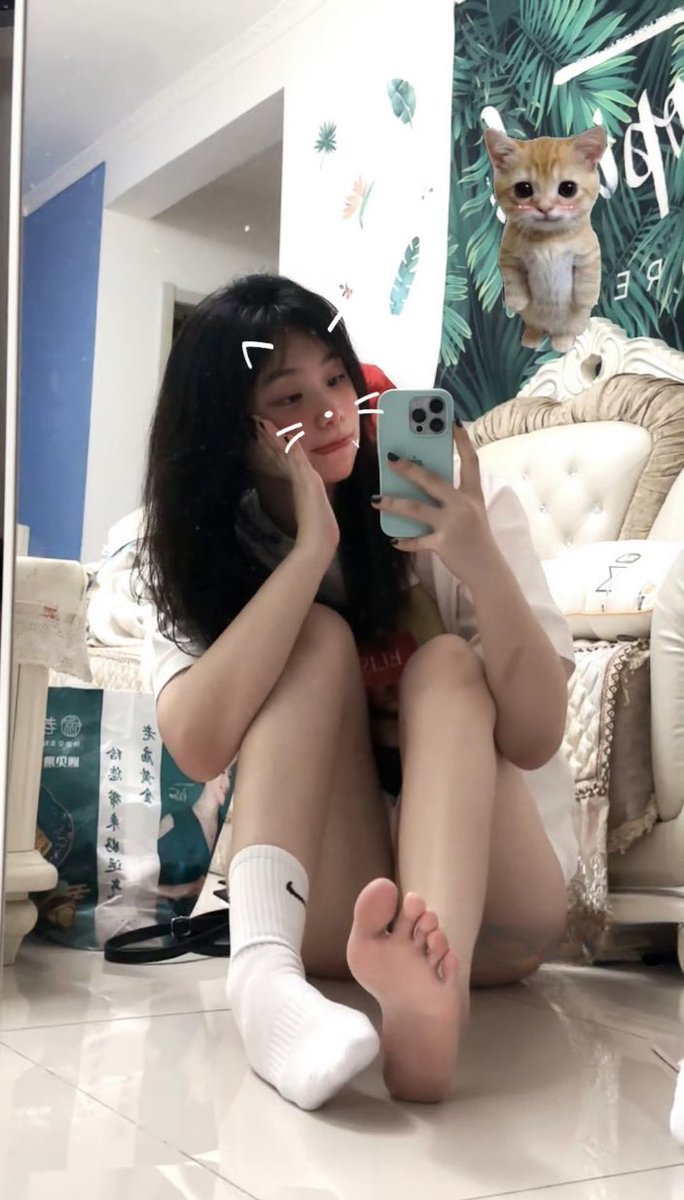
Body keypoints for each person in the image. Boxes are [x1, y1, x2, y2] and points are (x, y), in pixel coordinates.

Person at [137, 272, 578, 1110]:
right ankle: (266, 976)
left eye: (338, 378)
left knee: (445, 668)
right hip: (337, 917)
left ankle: (431, 992)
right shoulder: (198, 551)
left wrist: (479, 559)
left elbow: (535, 738)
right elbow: (196, 744)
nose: (334, 411)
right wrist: (310, 555)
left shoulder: (452, 506)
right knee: (312, 636)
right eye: (290, 397)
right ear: (236, 430)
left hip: (500, 911)